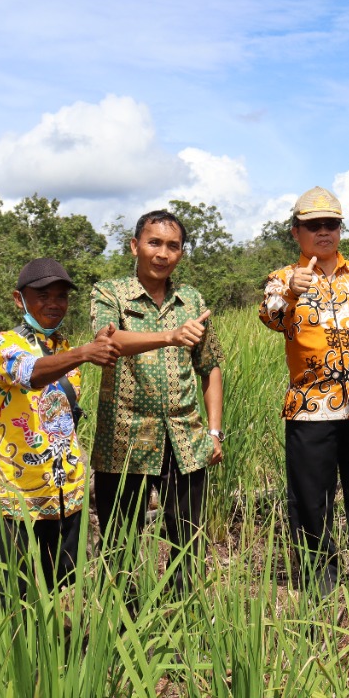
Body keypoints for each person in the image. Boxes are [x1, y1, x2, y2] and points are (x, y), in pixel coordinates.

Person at [259, 186, 349, 596]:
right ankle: (319, 580)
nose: (324, 232)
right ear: (296, 231)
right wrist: (290, 291)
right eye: (313, 225)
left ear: (340, 229)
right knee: (310, 499)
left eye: (332, 224)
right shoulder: (282, 279)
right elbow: (269, 318)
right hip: (310, 408)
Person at [91, 209, 224, 597]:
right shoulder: (110, 293)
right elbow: (108, 342)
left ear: (181, 253)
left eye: (172, 246)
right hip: (125, 440)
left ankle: (183, 625)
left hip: (186, 439)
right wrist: (169, 335)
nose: (162, 253)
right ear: (135, 246)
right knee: (120, 544)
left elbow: (210, 366)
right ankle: (117, 629)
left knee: (187, 541)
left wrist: (214, 431)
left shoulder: (192, 299)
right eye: (154, 243)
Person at [0, 258, 119, 598]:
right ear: (20, 299)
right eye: (42, 295)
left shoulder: (65, 348)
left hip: (66, 496)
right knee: (12, 600)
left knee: (62, 597)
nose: (54, 303)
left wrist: (87, 349)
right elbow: (31, 372)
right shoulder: (2, 345)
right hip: (16, 499)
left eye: (61, 296)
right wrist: (85, 353)